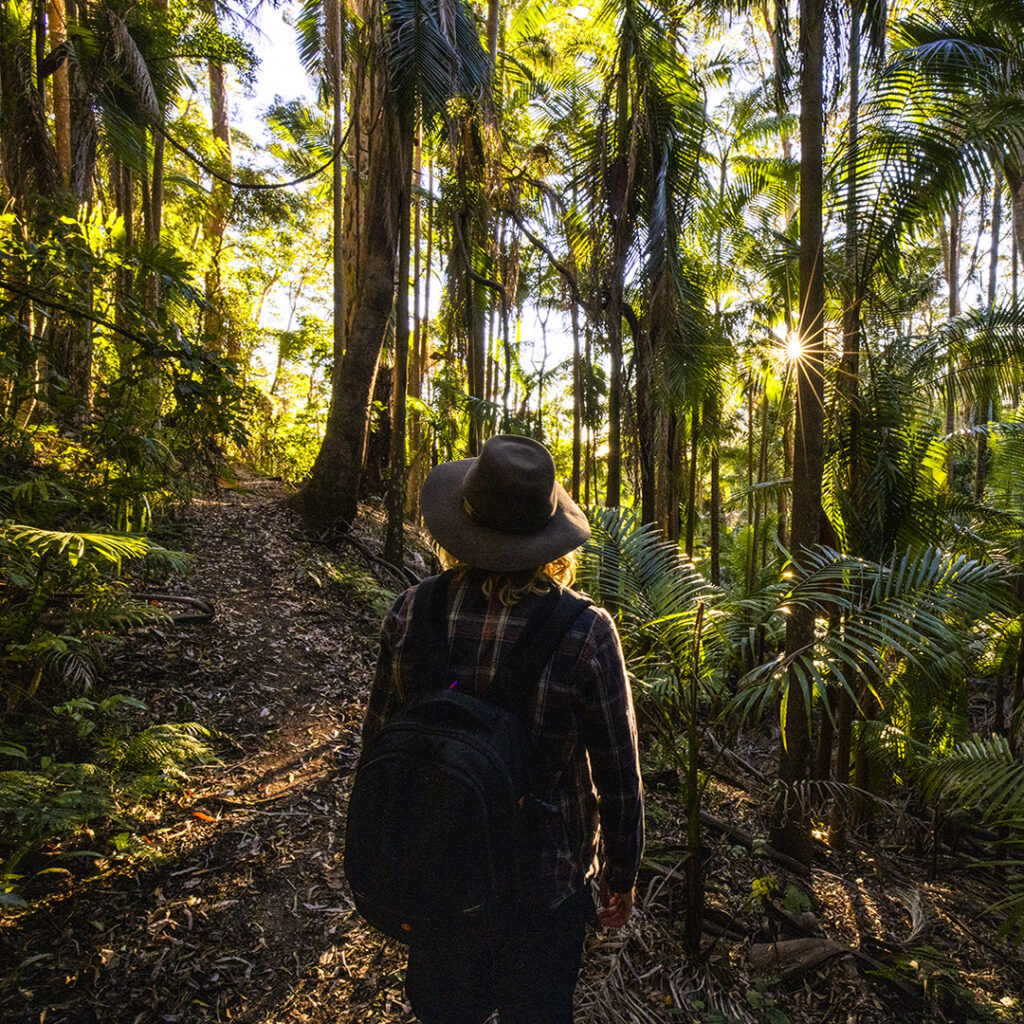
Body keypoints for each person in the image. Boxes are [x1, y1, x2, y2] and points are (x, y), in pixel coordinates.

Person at [361, 434, 644, 1024]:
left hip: (440, 863)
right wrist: (621, 872)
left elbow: (380, 741)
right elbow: (619, 774)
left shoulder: (410, 611)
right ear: (550, 542)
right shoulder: (587, 632)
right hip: (544, 886)